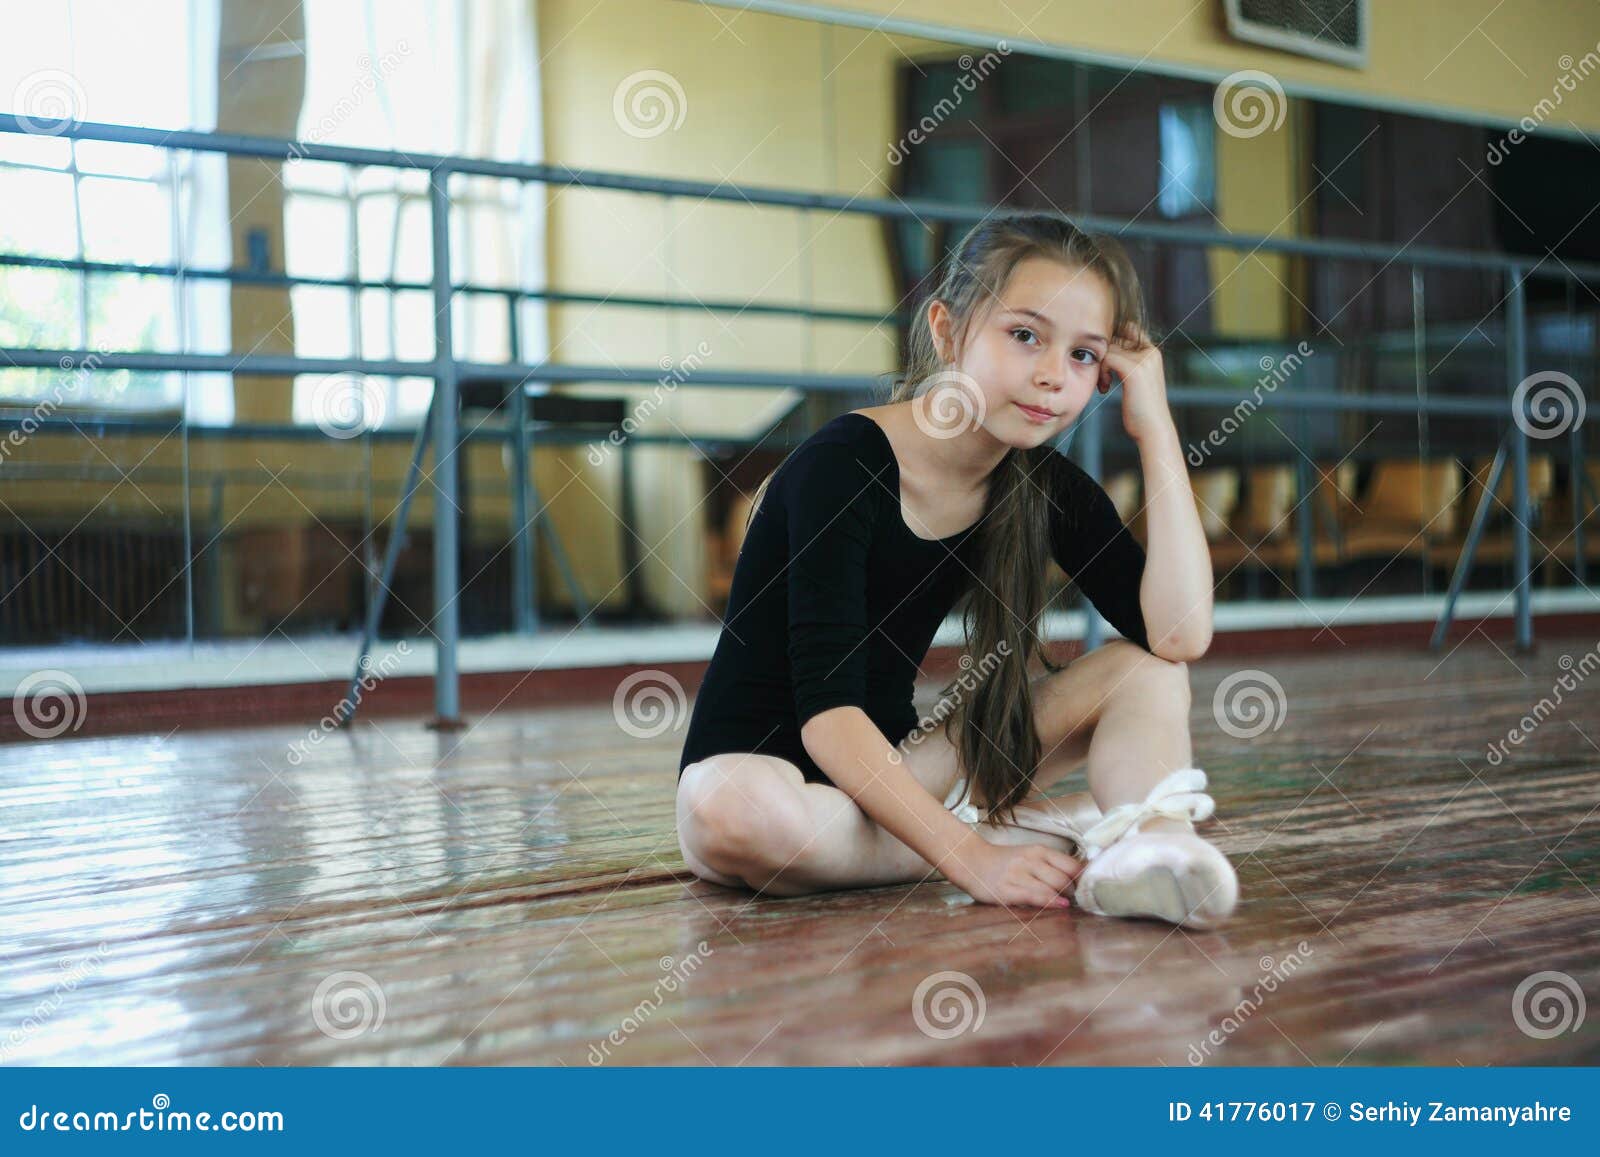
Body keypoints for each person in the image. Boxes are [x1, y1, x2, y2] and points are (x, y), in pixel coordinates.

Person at [675, 211, 1236, 929]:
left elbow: (1179, 635)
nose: (1051, 375)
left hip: (901, 773)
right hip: (765, 779)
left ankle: (1156, 848)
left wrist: (1154, 424)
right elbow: (829, 718)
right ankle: (1061, 829)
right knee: (734, 809)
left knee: (1148, 670)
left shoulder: (1042, 486)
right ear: (946, 330)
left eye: (1083, 355)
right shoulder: (839, 465)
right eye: (1025, 335)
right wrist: (972, 857)